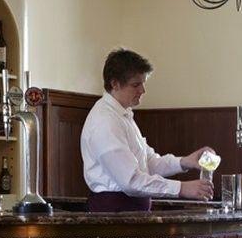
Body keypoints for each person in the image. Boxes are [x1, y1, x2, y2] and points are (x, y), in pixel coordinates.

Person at [80, 48, 215, 212]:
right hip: (114, 213)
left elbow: (148, 163)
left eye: (143, 83)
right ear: (115, 84)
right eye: (136, 85)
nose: (143, 90)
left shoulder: (122, 115)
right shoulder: (105, 121)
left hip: (129, 212)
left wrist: (185, 161)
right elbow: (131, 181)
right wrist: (181, 188)